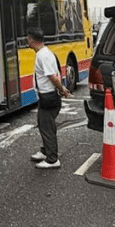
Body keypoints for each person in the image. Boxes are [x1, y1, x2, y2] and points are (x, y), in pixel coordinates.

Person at [27, 26, 70, 169]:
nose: (27, 41)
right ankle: (46, 151)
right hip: (46, 96)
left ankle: (52, 159)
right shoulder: (44, 53)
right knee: (43, 123)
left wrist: (62, 89)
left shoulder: (43, 55)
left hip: (49, 96)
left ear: (32, 40)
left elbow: (52, 76)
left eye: (28, 39)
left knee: (47, 127)